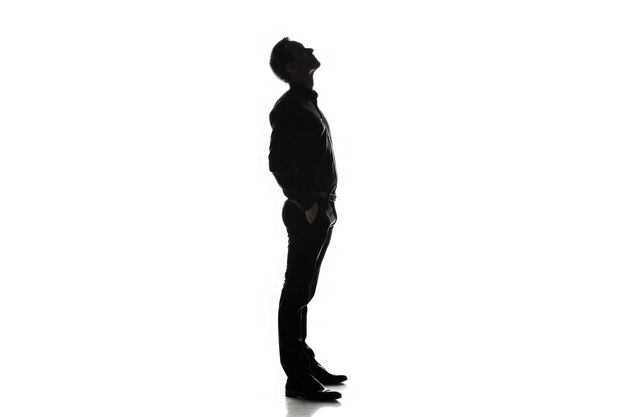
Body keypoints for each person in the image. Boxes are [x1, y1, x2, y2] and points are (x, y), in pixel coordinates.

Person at [268, 37, 347, 401]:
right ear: (291, 67)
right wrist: (305, 204)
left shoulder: (306, 103)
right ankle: (296, 377)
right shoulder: (290, 107)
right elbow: (278, 163)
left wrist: (321, 207)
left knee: (305, 291)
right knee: (296, 291)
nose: (311, 50)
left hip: (321, 209)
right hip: (307, 211)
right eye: (302, 50)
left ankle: (304, 363)